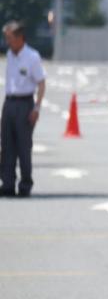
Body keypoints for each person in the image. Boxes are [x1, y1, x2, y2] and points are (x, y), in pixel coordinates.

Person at [1, 21, 45, 197]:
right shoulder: (10, 55)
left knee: (23, 147)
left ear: (20, 38)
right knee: (6, 146)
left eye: (10, 38)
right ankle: (8, 184)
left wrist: (36, 108)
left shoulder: (32, 57)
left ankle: (25, 184)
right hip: (9, 103)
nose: (7, 42)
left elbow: (41, 83)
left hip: (25, 103)